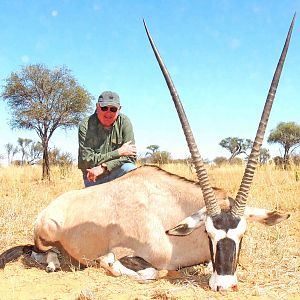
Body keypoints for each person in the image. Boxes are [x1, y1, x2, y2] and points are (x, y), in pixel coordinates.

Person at [78, 91, 137, 187]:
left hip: (117, 172)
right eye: (104, 108)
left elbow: (130, 157)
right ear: (97, 107)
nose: (108, 112)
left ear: (119, 109)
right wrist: (119, 152)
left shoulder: (125, 122)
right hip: (93, 175)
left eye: (113, 109)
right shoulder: (85, 125)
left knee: (131, 169)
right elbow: (87, 159)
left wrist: (104, 167)